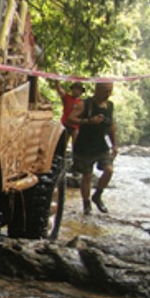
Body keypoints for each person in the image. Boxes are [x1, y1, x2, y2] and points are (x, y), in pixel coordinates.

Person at [67, 82, 117, 215]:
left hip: (101, 146)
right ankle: (86, 203)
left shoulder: (110, 106)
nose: (108, 94)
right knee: (87, 176)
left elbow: (111, 125)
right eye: (105, 91)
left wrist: (115, 145)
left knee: (109, 170)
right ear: (97, 90)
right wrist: (89, 121)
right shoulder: (85, 104)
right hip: (84, 146)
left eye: (110, 91)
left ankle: (97, 195)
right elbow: (70, 119)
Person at [55, 81, 85, 145]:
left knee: (76, 145)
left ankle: (75, 155)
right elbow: (59, 89)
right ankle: (62, 154)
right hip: (65, 125)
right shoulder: (67, 97)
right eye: (74, 88)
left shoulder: (82, 102)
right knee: (62, 144)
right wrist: (57, 81)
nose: (75, 91)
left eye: (77, 89)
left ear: (81, 92)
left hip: (75, 127)